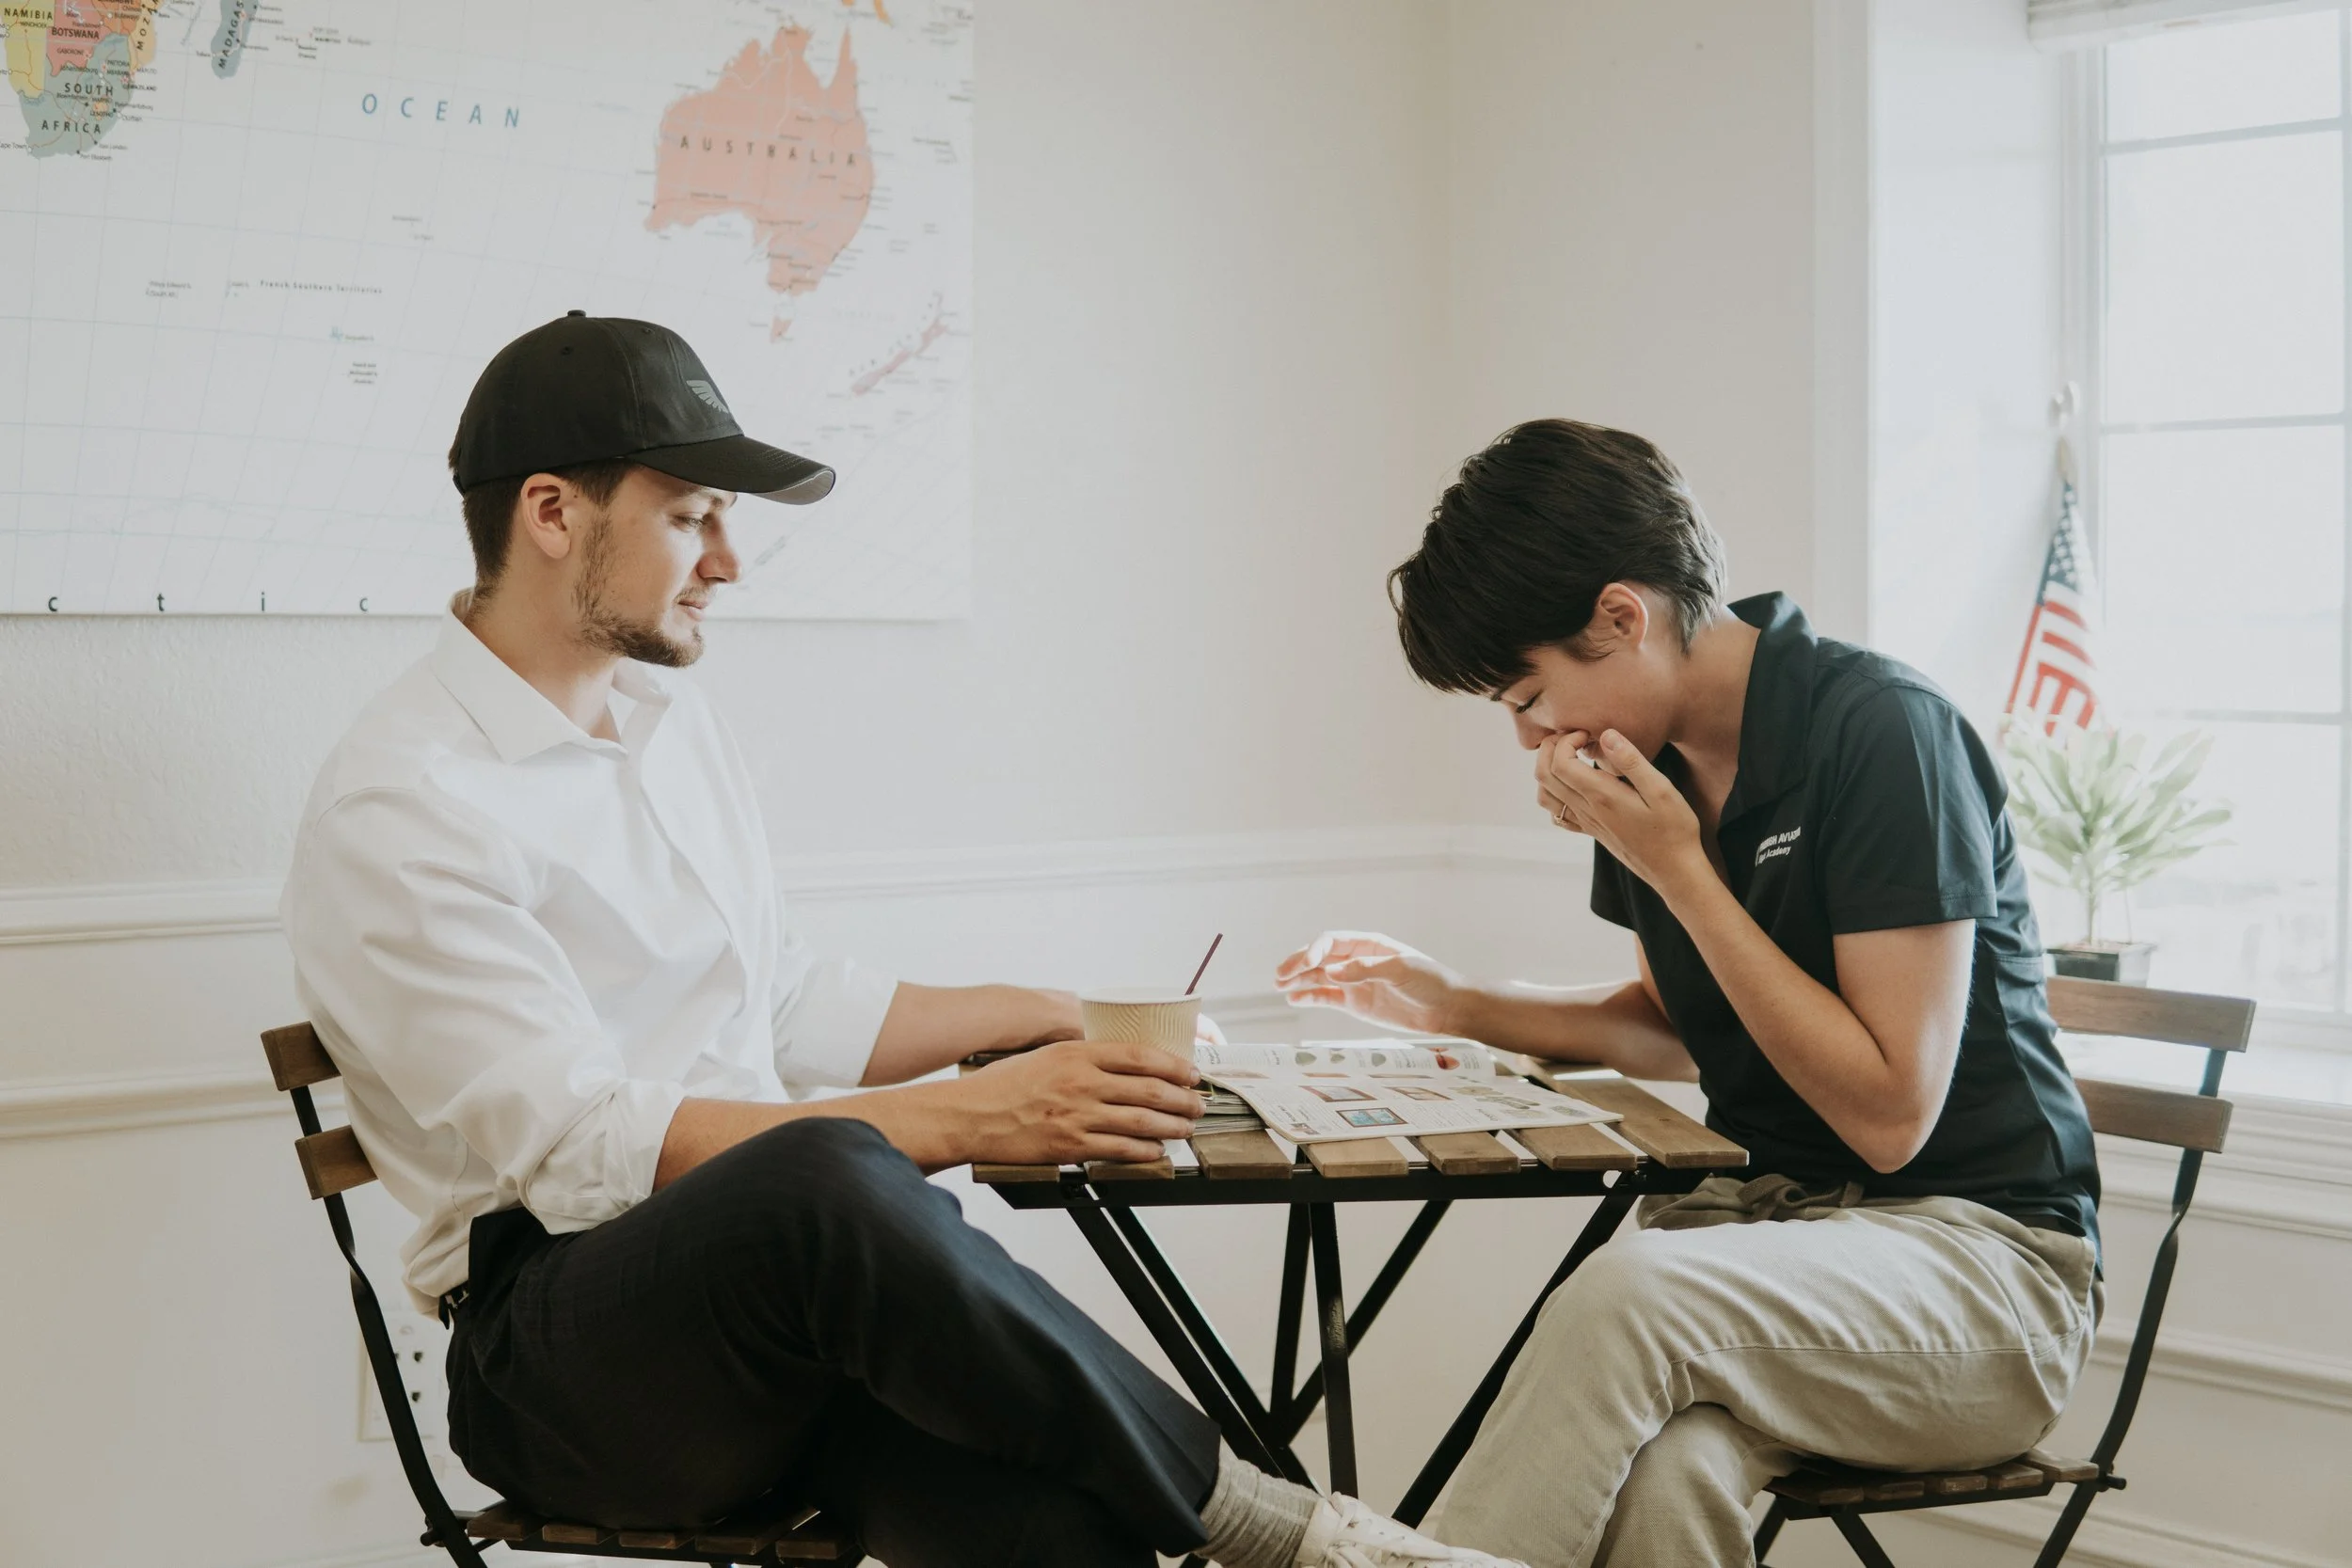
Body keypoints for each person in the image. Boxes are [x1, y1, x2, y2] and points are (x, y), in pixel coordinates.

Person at [282, 312, 1530, 1568]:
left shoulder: (667, 721)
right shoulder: (407, 801)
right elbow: (581, 1149)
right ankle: (1287, 1529)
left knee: (1065, 1526)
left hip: (784, 1322)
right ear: (552, 512)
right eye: (692, 516)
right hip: (565, 1361)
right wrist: (976, 1114)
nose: (729, 561)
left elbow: (776, 1000)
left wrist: (1045, 1013)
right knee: (826, 1175)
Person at [1275, 420, 2102, 1568]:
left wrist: (1677, 868)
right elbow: (1679, 1027)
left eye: (1528, 693)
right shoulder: (1645, 762)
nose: (1528, 736)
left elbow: (1888, 1113)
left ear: (1624, 616)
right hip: (1772, 1252)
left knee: (1622, 1297)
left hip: (1980, 1278)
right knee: (1667, 1475)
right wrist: (1450, 999)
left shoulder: (1882, 731)